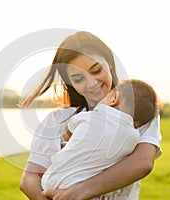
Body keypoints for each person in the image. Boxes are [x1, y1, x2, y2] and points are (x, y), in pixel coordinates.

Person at [19, 31, 162, 200]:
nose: (92, 84)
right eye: (79, 79)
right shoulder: (57, 121)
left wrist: (80, 191)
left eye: (96, 70)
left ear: (109, 63)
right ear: (69, 82)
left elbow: (142, 163)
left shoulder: (138, 113)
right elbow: (29, 179)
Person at [41, 79, 159, 200]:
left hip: (52, 180)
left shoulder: (89, 117)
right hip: (90, 191)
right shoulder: (134, 138)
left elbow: (66, 134)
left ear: (114, 98)